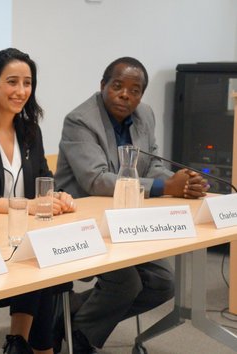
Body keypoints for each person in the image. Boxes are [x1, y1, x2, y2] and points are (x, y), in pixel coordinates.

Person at [53, 57, 209, 353]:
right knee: (126, 283)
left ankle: (71, 316)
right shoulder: (80, 120)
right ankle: (82, 339)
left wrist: (182, 182)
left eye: (135, 90)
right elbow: (96, 180)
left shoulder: (145, 116)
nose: (126, 95)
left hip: (128, 221)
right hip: (82, 222)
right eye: (118, 86)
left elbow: (150, 167)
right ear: (103, 87)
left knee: (163, 283)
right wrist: (166, 186)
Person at [0, 48, 76, 354]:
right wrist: (24, 205)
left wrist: (55, 196)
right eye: (12, 82)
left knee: (44, 256)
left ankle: (19, 343)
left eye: (28, 83)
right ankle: (35, 347)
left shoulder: (30, 132)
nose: (22, 91)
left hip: (23, 239)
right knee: (41, 259)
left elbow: (44, 178)